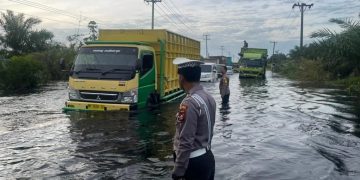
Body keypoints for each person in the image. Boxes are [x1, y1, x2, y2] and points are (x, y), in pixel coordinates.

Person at [172, 57, 216, 180]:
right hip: (207, 156)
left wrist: (179, 171)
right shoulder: (208, 97)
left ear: (181, 78)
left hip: (192, 163)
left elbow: (186, 140)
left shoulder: (189, 103)